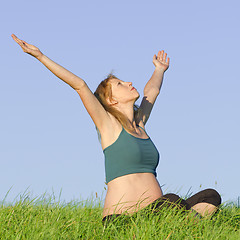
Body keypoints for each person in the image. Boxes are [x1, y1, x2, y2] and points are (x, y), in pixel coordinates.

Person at [11, 34, 221, 225]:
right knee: (173, 201)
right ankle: (181, 224)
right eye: (120, 84)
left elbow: (152, 92)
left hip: (156, 212)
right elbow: (79, 85)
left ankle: (180, 226)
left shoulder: (140, 125)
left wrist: (159, 69)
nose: (129, 82)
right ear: (111, 100)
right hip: (122, 220)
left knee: (210, 196)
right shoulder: (108, 125)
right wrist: (40, 56)